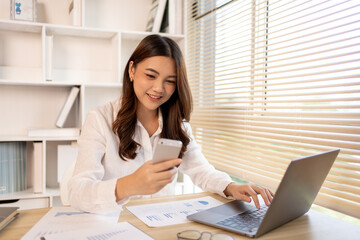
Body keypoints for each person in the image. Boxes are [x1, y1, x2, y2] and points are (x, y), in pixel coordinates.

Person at [68, 34, 274, 213]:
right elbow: (77, 192)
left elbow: (202, 171)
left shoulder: (178, 126)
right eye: (150, 75)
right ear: (132, 70)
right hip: (115, 225)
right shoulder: (100, 119)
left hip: (160, 224)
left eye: (170, 81)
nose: (159, 88)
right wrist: (127, 186)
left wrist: (230, 187)